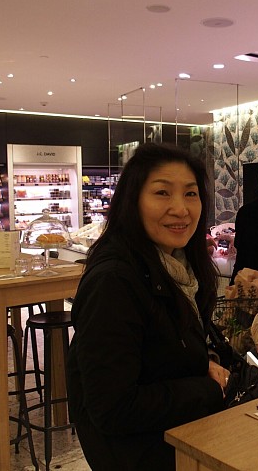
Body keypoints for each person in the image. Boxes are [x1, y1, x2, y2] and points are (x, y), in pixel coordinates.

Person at [66, 143, 229, 470]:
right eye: (162, 193)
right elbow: (113, 409)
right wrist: (206, 389)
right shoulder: (114, 282)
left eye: (190, 194)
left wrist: (206, 360)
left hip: (179, 434)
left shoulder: (179, 268)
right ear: (133, 200)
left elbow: (166, 349)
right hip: (140, 453)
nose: (180, 209)